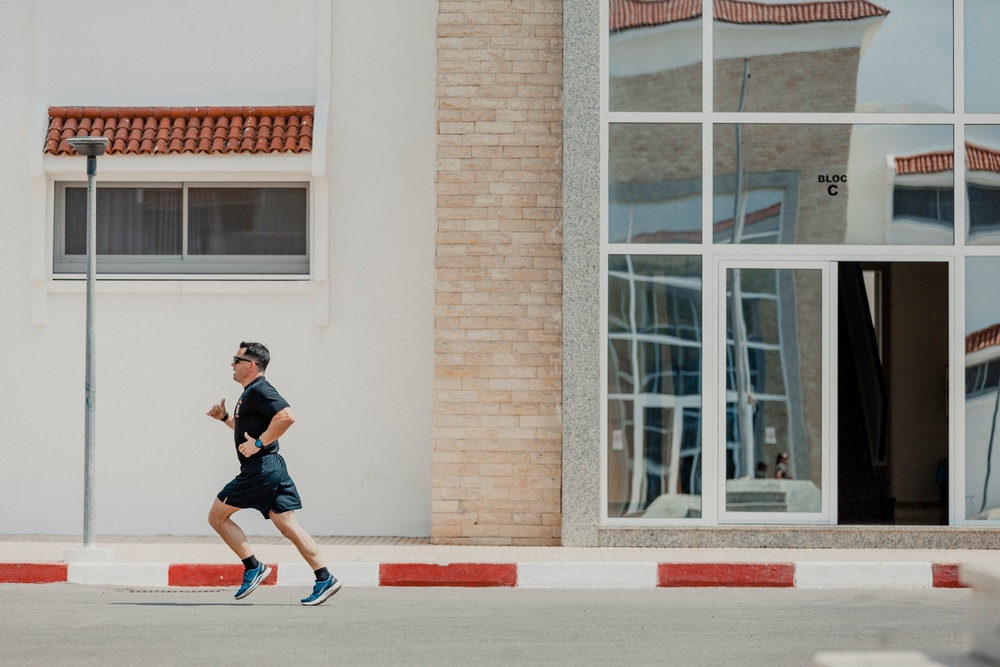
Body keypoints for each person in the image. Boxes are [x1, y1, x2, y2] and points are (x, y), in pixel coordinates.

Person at [206, 341, 340, 606]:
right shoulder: (249, 393)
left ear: (251, 365)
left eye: (236, 360)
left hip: (261, 469)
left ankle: (253, 567)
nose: (232, 365)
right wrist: (225, 420)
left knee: (216, 517)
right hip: (272, 467)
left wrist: (258, 443)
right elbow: (248, 431)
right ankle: (325, 577)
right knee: (288, 525)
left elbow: (287, 416)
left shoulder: (260, 389)